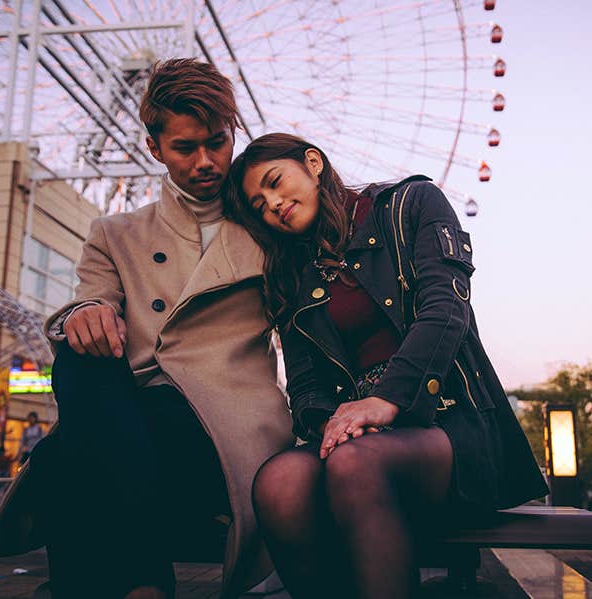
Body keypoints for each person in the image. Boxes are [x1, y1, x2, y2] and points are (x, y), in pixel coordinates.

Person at [0, 60, 294, 599]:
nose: (206, 162)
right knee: (78, 350)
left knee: (68, 463)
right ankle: (142, 586)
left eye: (218, 142)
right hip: (136, 419)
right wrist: (86, 312)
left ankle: (133, 584)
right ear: (154, 148)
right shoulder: (114, 234)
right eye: (186, 148)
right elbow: (93, 296)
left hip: (224, 427)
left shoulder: (271, 225)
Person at [222, 133, 550, 599]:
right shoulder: (291, 274)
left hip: (452, 422)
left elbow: (445, 310)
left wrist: (386, 400)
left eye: (275, 183)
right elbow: (307, 384)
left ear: (312, 162)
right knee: (280, 483)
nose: (273, 204)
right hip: (356, 436)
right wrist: (331, 425)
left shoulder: (412, 204)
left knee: (356, 466)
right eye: (258, 205)